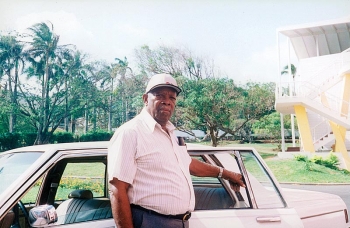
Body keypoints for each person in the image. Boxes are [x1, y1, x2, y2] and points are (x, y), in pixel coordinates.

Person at [108, 73, 245, 228]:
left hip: (180, 222)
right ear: (145, 99)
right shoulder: (130, 132)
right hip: (151, 221)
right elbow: (117, 189)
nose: (167, 101)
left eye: (172, 98)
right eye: (160, 95)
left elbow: (188, 164)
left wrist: (226, 174)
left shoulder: (170, 132)